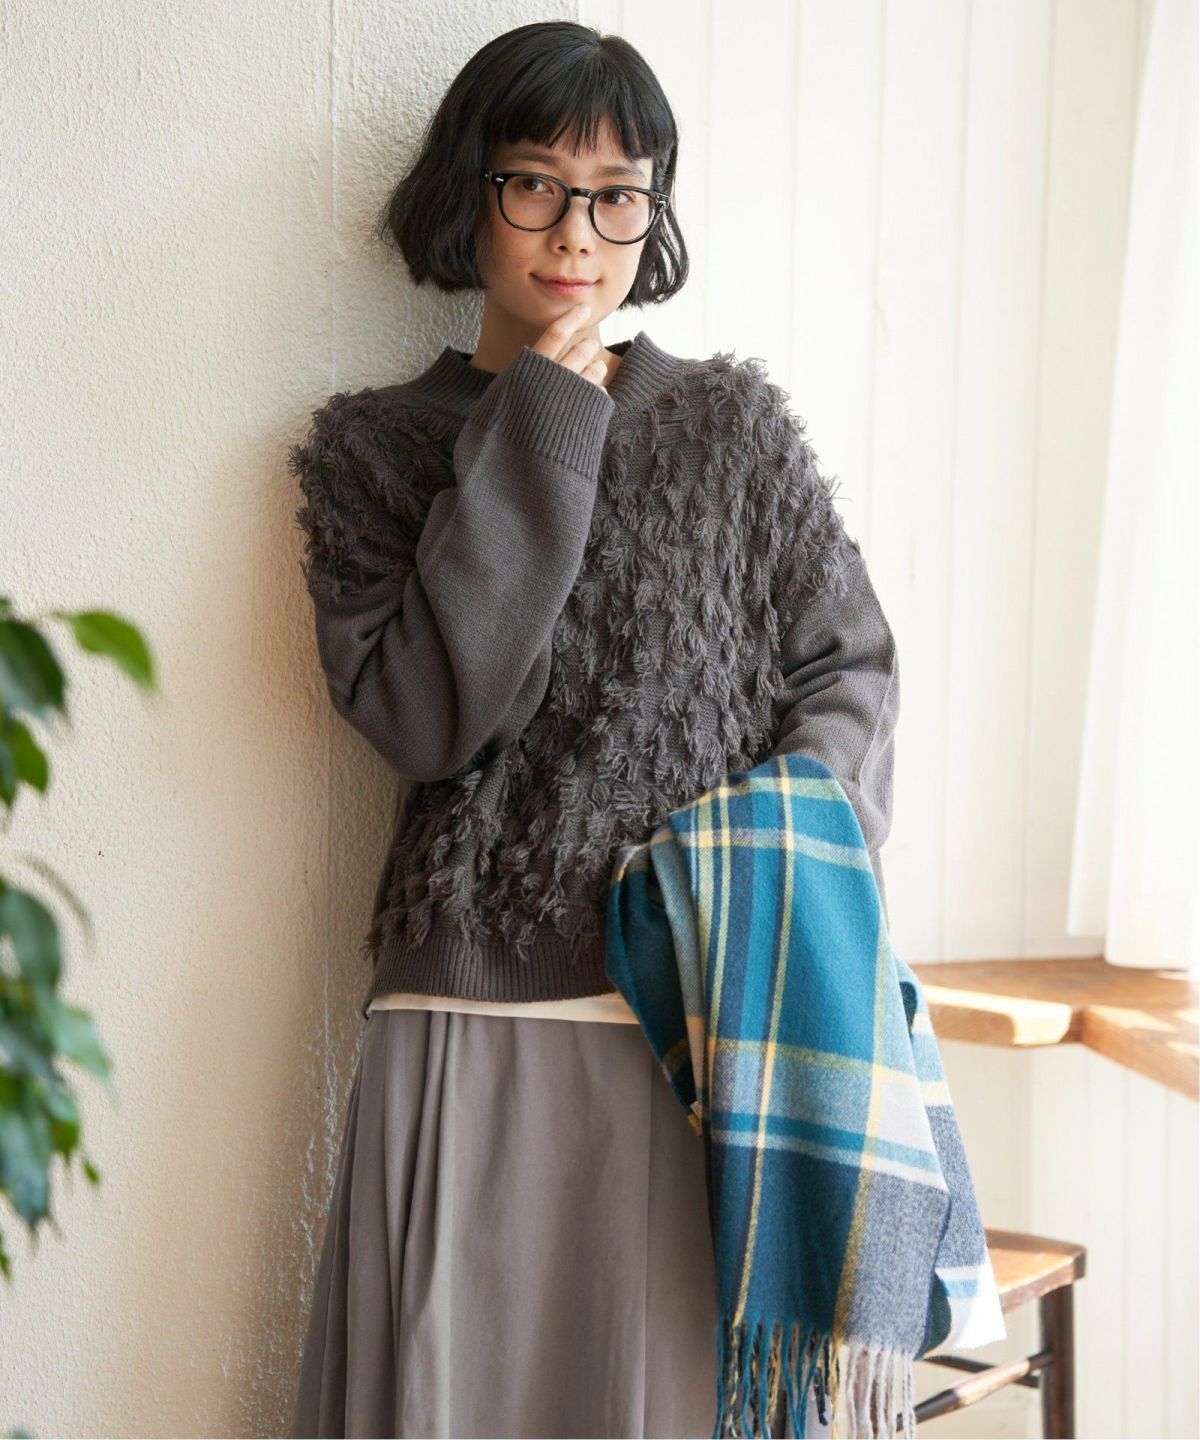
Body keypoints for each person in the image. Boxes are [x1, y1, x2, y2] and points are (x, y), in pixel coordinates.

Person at [287, 20, 898, 1440]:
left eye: (619, 193)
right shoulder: (373, 448)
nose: (579, 232)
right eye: (537, 185)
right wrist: (546, 416)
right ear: (468, 193)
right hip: (473, 1017)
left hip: (702, 1021)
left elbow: (851, 671)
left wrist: (767, 856)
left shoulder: (735, 429)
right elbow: (432, 716)